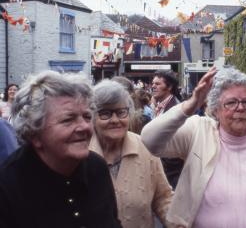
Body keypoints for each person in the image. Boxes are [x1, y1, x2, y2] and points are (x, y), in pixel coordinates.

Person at [141, 66, 246, 228]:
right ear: (216, 109)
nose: (240, 107)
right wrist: (190, 105)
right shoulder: (198, 130)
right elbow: (149, 139)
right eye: (231, 102)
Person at [0, 70, 121, 228]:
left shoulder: (96, 167)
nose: (84, 126)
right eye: (68, 119)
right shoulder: (7, 185)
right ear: (34, 133)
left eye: (86, 116)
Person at [89, 79, 173, 228]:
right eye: (105, 113)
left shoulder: (145, 148)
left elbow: (163, 198)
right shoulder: (81, 153)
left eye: (121, 112)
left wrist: (177, 223)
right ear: (92, 117)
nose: (115, 120)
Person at [151, 70, 183, 190]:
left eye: (158, 84)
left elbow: (176, 144)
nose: (153, 86)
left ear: (169, 87)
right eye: (153, 83)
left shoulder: (175, 109)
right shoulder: (162, 105)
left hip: (171, 173)